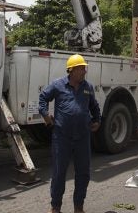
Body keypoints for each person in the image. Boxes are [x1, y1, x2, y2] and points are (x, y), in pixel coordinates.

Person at [39, 54, 101, 213]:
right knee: (59, 174)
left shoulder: (88, 87)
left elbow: (94, 106)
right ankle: (55, 207)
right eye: (81, 68)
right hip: (62, 137)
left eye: (84, 68)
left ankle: (78, 207)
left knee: (83, 174)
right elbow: (43, 98)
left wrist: (97, 120)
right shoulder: (58, 85)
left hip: (82, 137)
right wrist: (45, 115)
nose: (84, 71)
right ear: (71, 70)